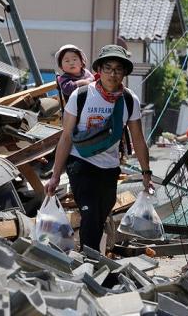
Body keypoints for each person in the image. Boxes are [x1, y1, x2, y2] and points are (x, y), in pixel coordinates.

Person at [45, 45, 153, 251]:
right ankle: (90, 262)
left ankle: (90, 258)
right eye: (108, 68)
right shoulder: (81, 95)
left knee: (101, 213)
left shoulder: (129, 100)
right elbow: (66, 137)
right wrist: (55, 175)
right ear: (99, 71)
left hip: (110, 168)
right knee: (91, 212)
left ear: (124, 73)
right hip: (81, 163)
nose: (112, 74)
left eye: (118, 69)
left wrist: (146, 172)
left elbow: (138, 139)